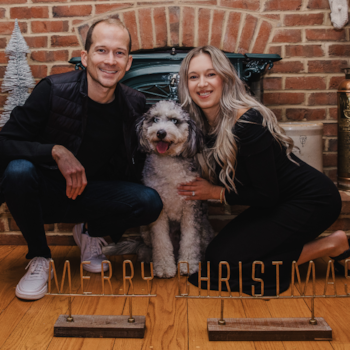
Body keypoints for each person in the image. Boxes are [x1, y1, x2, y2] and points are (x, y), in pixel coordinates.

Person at [0, 18, 162, 300]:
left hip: (92, 195)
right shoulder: (52, 90)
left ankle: (90, 231)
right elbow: (4, 142)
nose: (110, 60)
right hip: (44, 193)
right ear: (86, 58)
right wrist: (55, 151)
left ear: (129, 62)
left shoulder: (134, 102)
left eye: (119, 53)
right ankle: (40, 257)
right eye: (101, 50)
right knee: (17, 171)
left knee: (150, 202)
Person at [177, 45, 348, 296]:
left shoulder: (247, 123)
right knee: (215, 258)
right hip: (275, 203)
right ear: (186, 84)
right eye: (194, 77)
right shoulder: (201, 123)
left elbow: (266, 194)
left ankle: (332, 244)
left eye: (210, 74)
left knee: (224, 267)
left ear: (225, 78)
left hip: (312, 201)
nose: (202, 84)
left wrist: (215, 192)